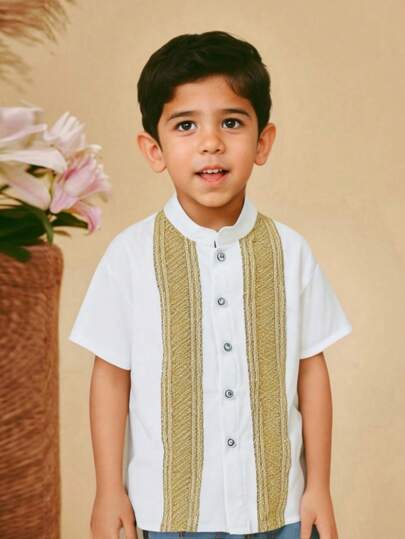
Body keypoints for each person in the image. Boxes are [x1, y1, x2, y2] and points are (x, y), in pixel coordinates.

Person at [69, 30, 352, 539]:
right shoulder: (129, 257)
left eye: (231, 122)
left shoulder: (290, 252)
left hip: (280, 509)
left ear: (263, 142)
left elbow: (311, 371)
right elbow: (110, 377)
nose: (210, 142)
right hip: (171, 516)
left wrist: (319, 488)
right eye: (185, 125)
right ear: (153, 149)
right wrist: (109, 489)